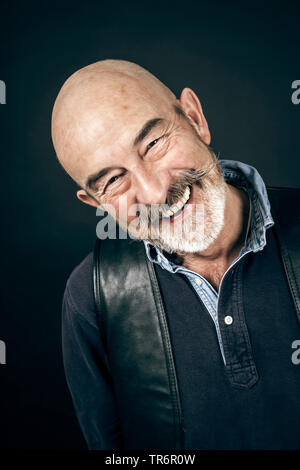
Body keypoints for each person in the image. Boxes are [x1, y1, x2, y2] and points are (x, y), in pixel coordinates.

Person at [51, 59, 300, 450]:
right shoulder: (91, 299)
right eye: (114, 180)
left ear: (194, 117)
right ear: (96, 202)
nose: (154, 192)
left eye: (153, 144)